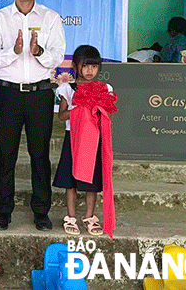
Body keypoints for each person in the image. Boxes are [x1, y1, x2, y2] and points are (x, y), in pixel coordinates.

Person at [0, 0, 65, 231]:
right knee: (6, 156)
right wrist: (15, 52)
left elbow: (57, 56)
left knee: (40, 155)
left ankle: (41, 211)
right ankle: (3, 211)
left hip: (40, 95)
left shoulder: (51, 18)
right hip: (8, 96)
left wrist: (39, 51)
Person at [53, 45, 111, 236]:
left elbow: (107, 114)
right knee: (71, 181)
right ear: (75, 66)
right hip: (73, 137)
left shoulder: (105, 89)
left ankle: (89, 217)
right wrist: (81, 109)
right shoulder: (67, 89)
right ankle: (71, 217)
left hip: (94, 140)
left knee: (92, 181)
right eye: (85, 66)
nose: (89, 71)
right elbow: (62, 115)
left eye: (94, 67)